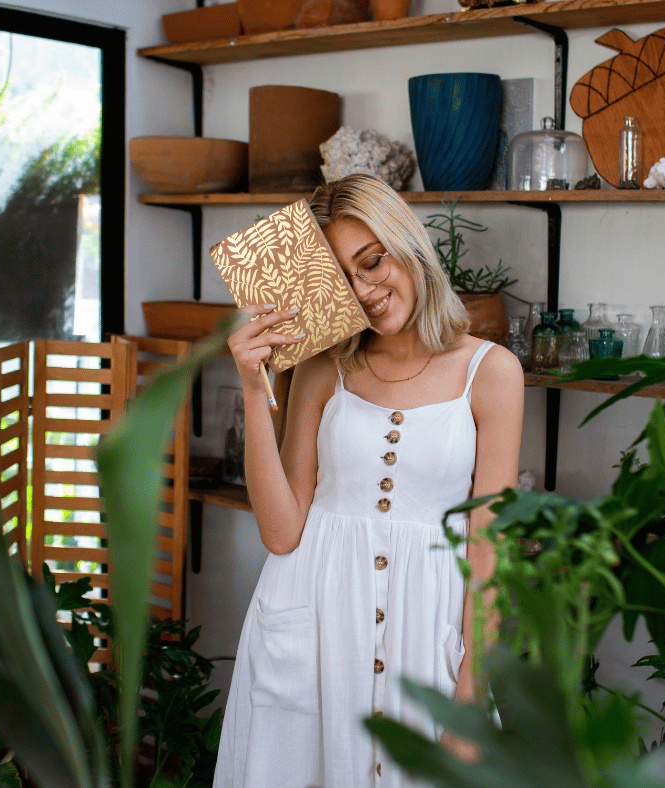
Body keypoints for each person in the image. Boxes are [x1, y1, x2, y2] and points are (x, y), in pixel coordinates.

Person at [213, 174, 524, 788]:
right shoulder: (323, 370)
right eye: (343, 276)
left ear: (406, 244)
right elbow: (281, 532)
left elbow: (490, 546)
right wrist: (255, 388)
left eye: (373, 260)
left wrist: (471, 689)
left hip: (426, 624)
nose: (366, 289)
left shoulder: (491, 373)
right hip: (317, 628)